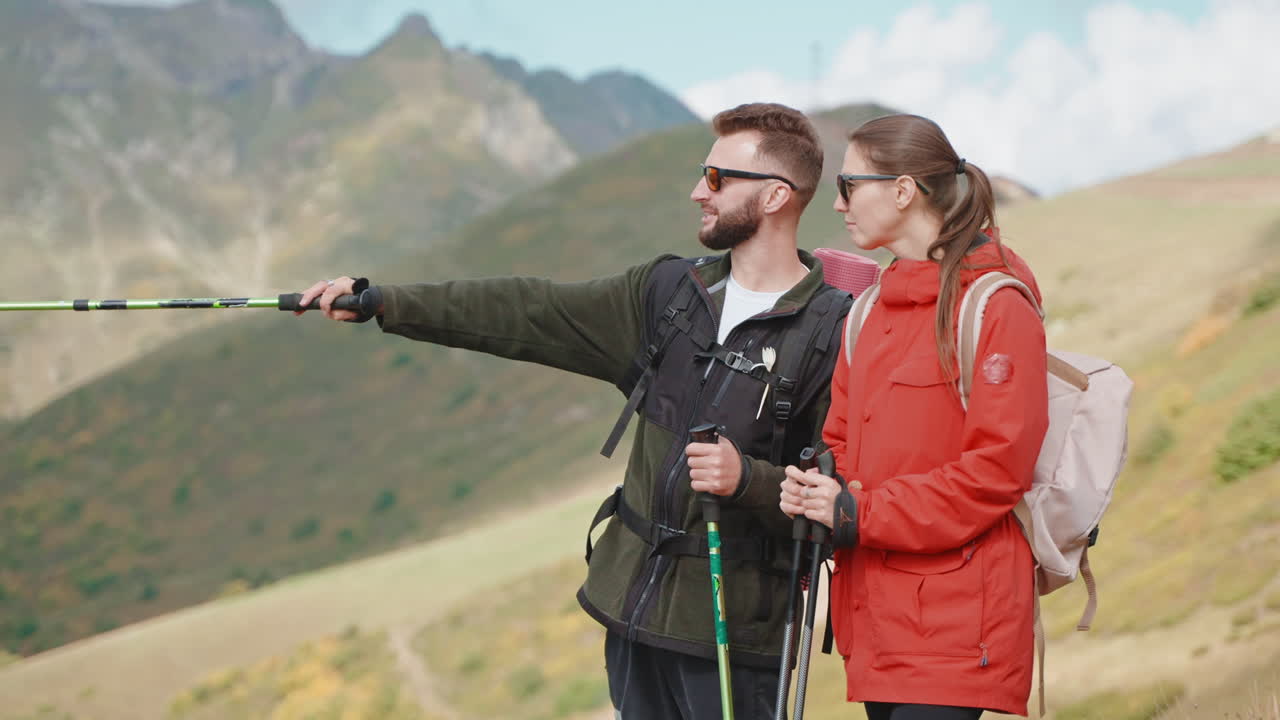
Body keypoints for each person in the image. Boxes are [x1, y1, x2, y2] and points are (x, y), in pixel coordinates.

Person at [299, 102, 852, 719]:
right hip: (632, 615)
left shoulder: (832, 332)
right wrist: (384, 302)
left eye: (718, 178)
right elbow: (530, 310)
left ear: (775, 196)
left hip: (733, 641)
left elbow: (844, 496)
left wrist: (747, 479)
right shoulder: (669, 293)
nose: (699, 191)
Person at [780, 114, 1050, 720]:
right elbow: (839, 440)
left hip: (959, 625)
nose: (838, 203)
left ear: (902, 190)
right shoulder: (867, 312)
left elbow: (997, 472)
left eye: (849, 185)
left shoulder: (996, 305)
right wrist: (817, 489)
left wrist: (857, 511)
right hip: (875, 621)